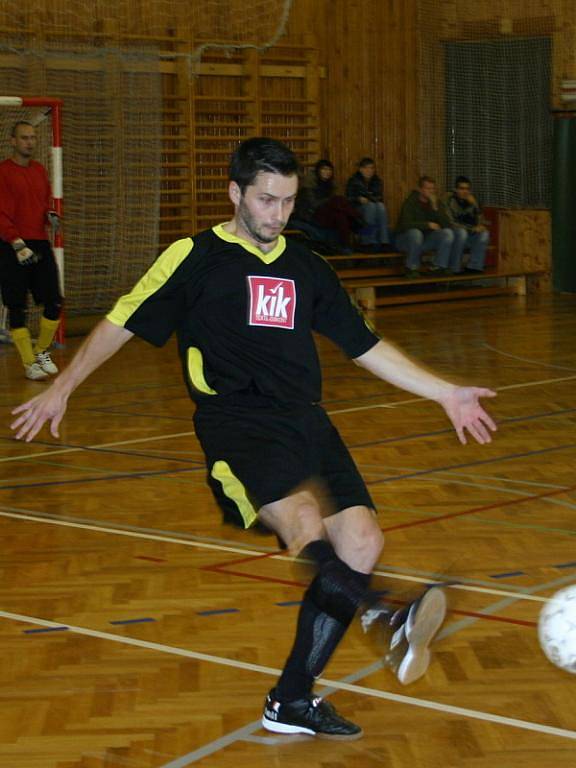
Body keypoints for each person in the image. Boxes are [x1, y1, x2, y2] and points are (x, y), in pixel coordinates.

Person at [11, 137, 497, 740]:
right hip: (236, 422)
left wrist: (444, 392)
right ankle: (381, 612)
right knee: (301, 523)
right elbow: (122, 321)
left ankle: (291, 701)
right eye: (266, 200)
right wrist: (63, 387)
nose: (278, 215)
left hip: (306, 417)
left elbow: (365, 345)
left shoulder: (306, 264)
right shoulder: (194, 256)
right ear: (236, 193)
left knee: (363, 541)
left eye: (289, 202)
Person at [0, 121, 62, 380]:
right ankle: (28, 364)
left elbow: (43, 203)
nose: (30, 142)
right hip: (11, 244)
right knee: (17, 305)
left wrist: (51, 216)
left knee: (54, 301)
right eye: (24, 138)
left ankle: (40, 351)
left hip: (39, 242)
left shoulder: (38, 170)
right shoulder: (3, 172)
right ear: (13, 141)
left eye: (33, 138)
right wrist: (16, 242)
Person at [292, 159, 363, 254]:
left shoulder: (331, 185)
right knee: (337, 200)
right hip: (312, 216)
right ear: (318, 171)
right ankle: (357, 220)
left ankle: (345, 245)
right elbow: (313, 205)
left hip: (329, 215)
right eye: (324, 169)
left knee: (340, 215)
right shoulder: (308, 186)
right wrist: (329, 201)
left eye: (329, 170)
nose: (327, 172)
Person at [395, 176, 456, 278]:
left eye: (433, 188)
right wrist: (427, 224)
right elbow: (405, 224)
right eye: (428, 188)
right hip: (406, 240)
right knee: (416, 233)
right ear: (420, 189)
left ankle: (439, 266)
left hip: (425, 240)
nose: (431, 191)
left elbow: (447, 225)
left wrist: (435, 207)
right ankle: (411, 267)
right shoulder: (410, 202)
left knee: (448, 233)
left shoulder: (436, 203)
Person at [345, 157, 392, 253]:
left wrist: (368, 199)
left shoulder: (377, 181)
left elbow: (378, 197)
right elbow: (348, 199)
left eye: (371, 168)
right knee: (371, 207)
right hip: (356, 210)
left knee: (380, 207)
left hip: (373, 207)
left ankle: (384, 241)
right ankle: (367, 241)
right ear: (360, 169)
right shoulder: (353, 181)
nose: (369, 171)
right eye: (366, 168)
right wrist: (358, 199)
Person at [445, 176, 490, 273]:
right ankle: (454, 268)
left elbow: (481, 221)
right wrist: (471, 229)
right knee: (462, 233)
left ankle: (474, 267)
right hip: (454, 236)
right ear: (456, 190)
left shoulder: (472, 201)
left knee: (484, 233)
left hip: (469, 235)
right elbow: (450, 223)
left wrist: (475, 205)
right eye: (461, 189)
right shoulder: (449, 200)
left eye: (467, 189)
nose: (465, 192)